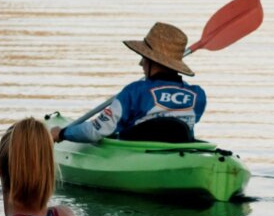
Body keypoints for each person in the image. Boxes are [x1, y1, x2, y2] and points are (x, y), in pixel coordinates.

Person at [58, 21, 206, 143]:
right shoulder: (198, 95)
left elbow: (95, 131)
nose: (141, 63)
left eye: (144, 58)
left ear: (152, 62)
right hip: (180, 152)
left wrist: (62, 133)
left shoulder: (135, 92)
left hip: (138, 155)